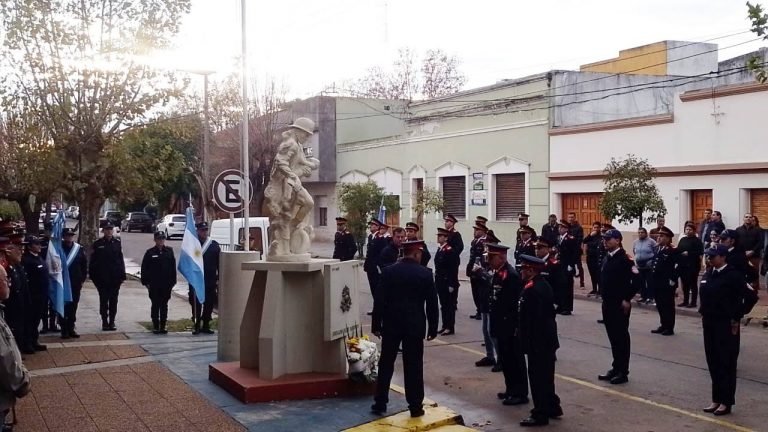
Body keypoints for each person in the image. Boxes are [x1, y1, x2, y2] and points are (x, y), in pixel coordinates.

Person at [371, 240, 439, 418]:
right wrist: (433, 327)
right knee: (413, 366)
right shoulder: (425, 274)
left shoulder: (388, 272)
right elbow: (432, 303)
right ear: (416, 253)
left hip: (392, 325)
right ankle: (415, 406)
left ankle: (380, 402)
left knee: (386, 363)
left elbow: (379, 301)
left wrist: (376, 325)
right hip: (414, 326)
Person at [699, 245, 745, 417]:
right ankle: (716, 399)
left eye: (713, 256)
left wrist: (736, 316)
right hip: (709, 323)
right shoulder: (709, 273)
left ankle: (726, 401)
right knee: (713, 362)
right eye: (708, 256)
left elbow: (750, 296)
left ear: (723, 257)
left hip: (725, 324)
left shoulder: (733, 275)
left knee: (726, 363)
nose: (709, 259)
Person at [517, 254, 562, 427]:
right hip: (546, 340)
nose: (521, 271)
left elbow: (535, 319)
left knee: (538, 378)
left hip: (539, 342)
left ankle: (540, 413)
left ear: (531, 270)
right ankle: (552, 406)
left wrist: (527, 341)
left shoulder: (534, 289)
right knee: (546, 377)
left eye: (523, 268)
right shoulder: (539, 285)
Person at [483, 244, 529, 407]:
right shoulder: (498, 273)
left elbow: (512, 304)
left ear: (501, 258)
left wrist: (511, 326)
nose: (489, 261)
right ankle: (510, 389)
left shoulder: (510, 275)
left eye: (491, 258)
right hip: (500, 324)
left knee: (514, 360)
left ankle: (520, 393)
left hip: (509, 326)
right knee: (506, 360)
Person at [598, 229, 637, 385]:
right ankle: (615, 367)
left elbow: (637, 281)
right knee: (613, 338)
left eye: (608, 239)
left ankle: (623, 371)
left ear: (618, 240)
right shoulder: (607, 257)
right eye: (604, 239)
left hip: (619, 305)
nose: (605, 242)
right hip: (607, 303)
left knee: (621, 338)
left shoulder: (625, 259)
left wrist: (627, 299)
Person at [89, 222, 126, 331]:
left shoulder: (117, 243)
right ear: (103, 231)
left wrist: (122, 275)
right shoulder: (97, 244)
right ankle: (104, 322)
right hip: (102, 278)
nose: (109, 231)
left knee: (114, 301)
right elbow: (93, 262)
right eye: (107, 229)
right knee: (104, 300)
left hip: (115, 278)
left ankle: (112, 321)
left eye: (111, 229)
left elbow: (120, 259)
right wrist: (93, 276)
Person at [141, 232, 176, 335]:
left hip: (166, 284)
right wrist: (146, 283)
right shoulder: (150, 252)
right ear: (155, 240)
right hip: (154, 284)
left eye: (162, 239)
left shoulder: (169, 251)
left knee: (164, 305)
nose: (161, 241)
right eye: (159, 239)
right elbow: (144, 268)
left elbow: (172, 267)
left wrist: (173, 282)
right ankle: (156, 325)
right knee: (155, 305)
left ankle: (163, 325)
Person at [3, 242, 35, 355]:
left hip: (21, 303)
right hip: (12, 306)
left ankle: (21, 349)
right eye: (17, 249)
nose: (20, 252)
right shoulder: (7, 268)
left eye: (21, 249)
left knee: (20, 327)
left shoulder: (17, 266)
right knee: (14, 329)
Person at [190, 222, 220, 335]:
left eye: (206, 230)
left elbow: (219, 263)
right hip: (196, 279)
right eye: (202, 230)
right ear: (197, 231)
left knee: (209, 303)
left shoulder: (213, 245)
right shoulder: (193, 244)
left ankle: (206, 324)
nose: (204, 232)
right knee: (196, 304)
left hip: (210, 279)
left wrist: (219, 278)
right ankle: (196, 325)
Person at [21, 236, 49, 352]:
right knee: (29, 320)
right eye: (36, 244)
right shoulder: (27, 260)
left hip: (41, 294)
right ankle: (27, 343)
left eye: (39, 244)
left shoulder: (39, 258)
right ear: (29, 246)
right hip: (33, 294)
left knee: (37, 319)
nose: (39, 246)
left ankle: (34, 340)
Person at [650, 227, 679, 336]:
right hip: (657, 282)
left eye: (662, 236)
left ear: (668, 238)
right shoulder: (658, 248)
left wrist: (673, 280)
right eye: (659, 236)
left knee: (668, 305)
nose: (659, 238)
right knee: (660, 304)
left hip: (667, 283)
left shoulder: (673, 250)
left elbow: (677, 267)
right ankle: (663, 324)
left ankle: (669, 327)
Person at [61, 228, 87, 339]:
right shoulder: (58, 248)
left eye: (71, 235)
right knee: (64, 306)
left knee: (73, 306)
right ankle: (64, 329)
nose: (69, 237)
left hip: (75, 282)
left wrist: (82, 279)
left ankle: (71, 327)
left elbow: (84, 265)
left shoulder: (79, 249)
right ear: (63, 236)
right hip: (62, 282)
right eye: (67, 235)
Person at [434, 228, 460, 335]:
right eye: (438, 236)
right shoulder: (441, 249)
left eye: (441, 236)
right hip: (440, 281)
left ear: (446, 238)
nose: (438, 238)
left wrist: (451, 284)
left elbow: (452, 269)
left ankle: (450, 327)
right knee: (443, 305)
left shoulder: (449, 251)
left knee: (449, 305)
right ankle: (445, 325)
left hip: (447, 282)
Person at [677, 223, 704, 308]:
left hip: (693, 265)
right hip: (683, 265)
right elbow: (679, 249)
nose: (688, 231)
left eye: (690, 230)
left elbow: (700, 253)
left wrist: (689, 253)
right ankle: (685, 301)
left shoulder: (697, 241)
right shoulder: (683, 239)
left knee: (693, 284)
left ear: (694, 231)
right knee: (685, 284)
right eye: (686, 229)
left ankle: (693, 302)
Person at [554, 220, 578, 315]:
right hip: (560, 265)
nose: (560, 229)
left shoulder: (571, 239)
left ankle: (567, 308)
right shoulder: (558, 238)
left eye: (562, 227)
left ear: (566, 229)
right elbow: (558, 249)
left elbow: (575, 252)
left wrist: (571, 265)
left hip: (567, 265)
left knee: (567, 287)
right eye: (559, 227)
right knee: (560, 286)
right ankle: (560, 306)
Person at [363, 219, 386, 315]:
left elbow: (382, 253)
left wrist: (378, 266)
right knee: (373, 289)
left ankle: (379, 309)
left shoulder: (380, 238)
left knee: (377, 290)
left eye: (373, 225)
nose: (371, 226)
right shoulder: (370, 237)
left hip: (376, 268)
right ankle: (376, 308)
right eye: (370, 225)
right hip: (370, 268)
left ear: (377, 227)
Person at [735, 213, 763, 288]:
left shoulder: (758, 230)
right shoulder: (738, 230)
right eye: (746, 217)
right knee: (741, 272)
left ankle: (754, 291)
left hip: (754, 256)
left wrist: (752, 251)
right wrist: (742, 252)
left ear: (752, 219)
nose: (748, 218)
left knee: (754, 273)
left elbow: (760, 242)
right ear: (743, 219)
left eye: (750, 217)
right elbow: (735, 242)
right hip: (741, 255)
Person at [467, 223, 488, 320]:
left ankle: (481, 310)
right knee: (475, 291)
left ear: (483, 231)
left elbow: (484, 258)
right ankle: (478, 310)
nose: (475, 232)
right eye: (475, 230)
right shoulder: (475, 241)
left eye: (477, 230)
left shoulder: (484, 242)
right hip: (473, 269)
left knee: (480, 292)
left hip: (479, 270)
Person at [633, 228, 657, 304]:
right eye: (639, 232)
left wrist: (651, 261)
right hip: (639, 265)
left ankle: (650, 297)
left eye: (642, 232)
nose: (640, 234)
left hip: (648, 264)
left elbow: (656, 252)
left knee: (650, 281)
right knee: (641, 281)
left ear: (646, 233)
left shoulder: (651, 241)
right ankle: (643, 296)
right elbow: (634, 251)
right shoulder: (636, 242)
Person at [583, 222, 603, 296]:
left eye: (597, 227)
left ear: (600, 228)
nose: (596, 229)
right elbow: (584, 241)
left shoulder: (601, 237)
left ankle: (600, 290)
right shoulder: (590, 236)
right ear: (592, 228)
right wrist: (590, 235)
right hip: (590, 258)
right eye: (594, 227)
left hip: (597, 258)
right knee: (592, 274)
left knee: (598, 274)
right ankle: (594, 289)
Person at [566, 212, 585, 288]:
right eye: (569, 217)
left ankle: (582, 283)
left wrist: (576, 248)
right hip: (569, 250)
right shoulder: (567, 227)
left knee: (579, 266)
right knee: (570, 266)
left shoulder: (579, 227)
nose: (570, 219)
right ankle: (571, 281)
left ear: (575, 218)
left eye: (572, 217)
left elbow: (580, 239)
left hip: (576, 250)